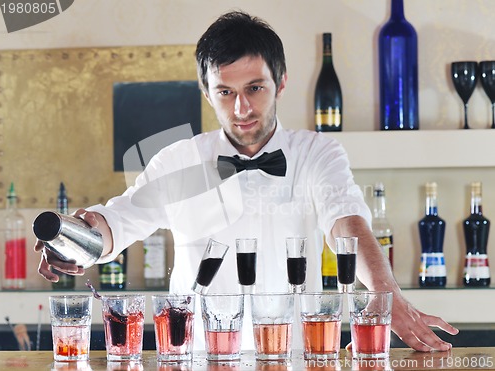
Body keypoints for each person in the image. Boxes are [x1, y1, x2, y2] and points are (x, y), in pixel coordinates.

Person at [35, 11, 458, 352]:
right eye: (224, 92)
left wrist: (389, 299)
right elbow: (120, 220)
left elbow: (347, 222)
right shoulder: (179, 160)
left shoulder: (317, 153)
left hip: (297, 358)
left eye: (255, 87)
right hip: (197, 358)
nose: (241, 108)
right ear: (206, 91)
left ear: (281, 82)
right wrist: (77, 241)